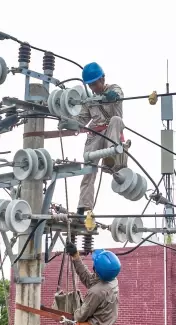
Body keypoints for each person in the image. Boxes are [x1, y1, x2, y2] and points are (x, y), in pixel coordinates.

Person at [31, 242, 121, 325]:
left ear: (97, 270)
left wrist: (71, 311)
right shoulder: (112, 281)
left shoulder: (97, 292)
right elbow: (89, 279)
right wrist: (75, 257)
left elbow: (80, 315)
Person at [73, 62, 129, 216]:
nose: (94, 88)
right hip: (96, 135)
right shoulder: (89, 100)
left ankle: (111, 156)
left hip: (111, 133)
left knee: (116, 120)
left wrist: (112, 97)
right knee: (88, 171)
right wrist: (69, 120)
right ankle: (84, 208)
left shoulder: (113, 89)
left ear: (103, 79)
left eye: (95, 83)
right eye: (90, 85)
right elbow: (82, 120)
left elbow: (118, 94)